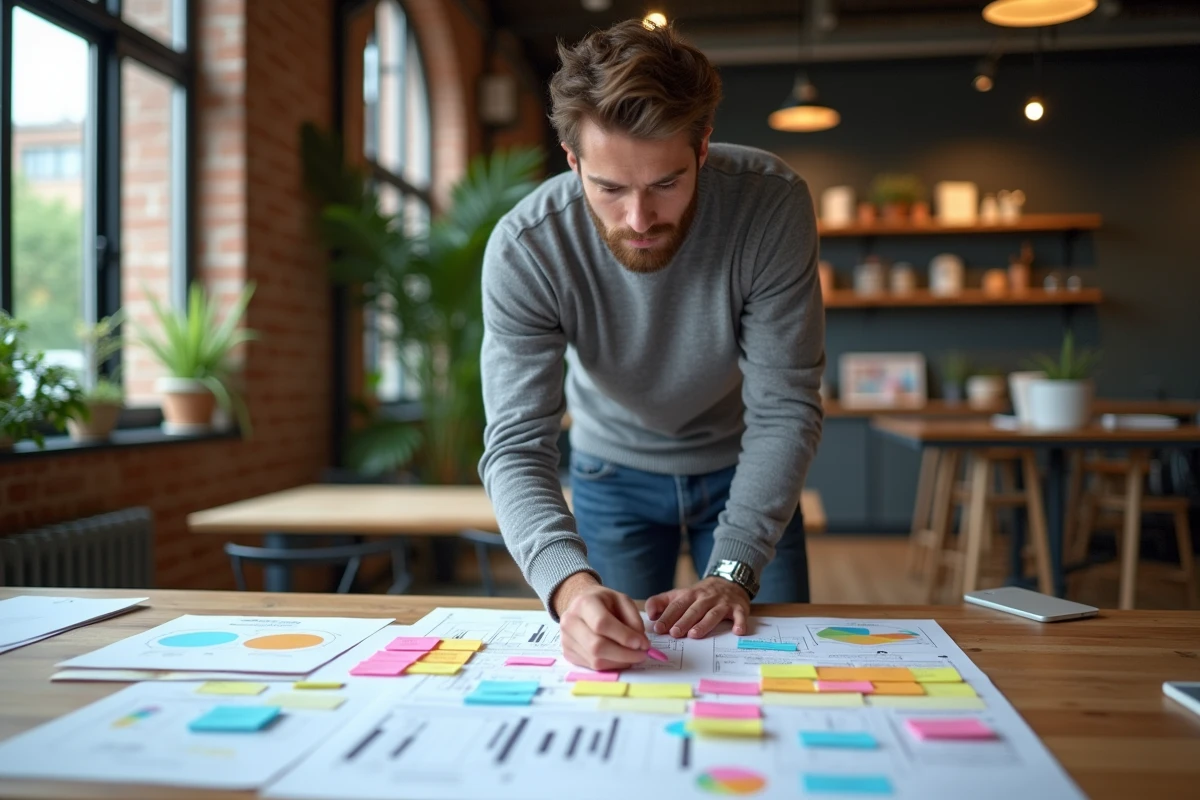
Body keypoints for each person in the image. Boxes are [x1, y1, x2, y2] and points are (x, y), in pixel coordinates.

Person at [478, 19, 824, 671]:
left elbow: (785, 408)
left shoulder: (770, 205)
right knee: (617, 669)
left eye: (665, 182)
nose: (639, 220)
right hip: (612, 471)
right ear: (572, 159)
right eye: (609, 188)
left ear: (702, 148)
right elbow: (517, 443)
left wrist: (732, 569)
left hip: (745, 467)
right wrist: (568, 590)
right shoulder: (528, 247)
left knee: (778, 675)